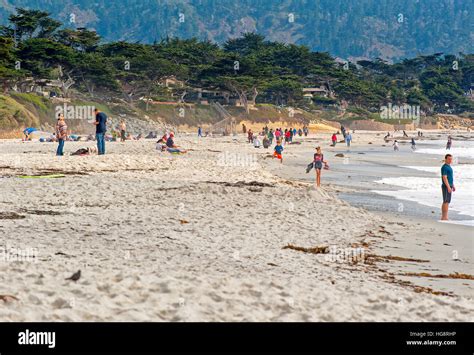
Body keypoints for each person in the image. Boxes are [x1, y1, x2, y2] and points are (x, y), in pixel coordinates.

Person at [441, 154, 455, 221]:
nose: (450, 160)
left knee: (447, 201)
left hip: (449, 185)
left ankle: (444, 217)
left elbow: (450, 177)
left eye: (451, 159)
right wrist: (448, 186)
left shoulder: (449, 167)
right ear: (446, 159)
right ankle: (444, 217)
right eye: (449, 159)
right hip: (446, 186)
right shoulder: (445, 167)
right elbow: (444, 177)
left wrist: (453, 185)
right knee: (446, 201)